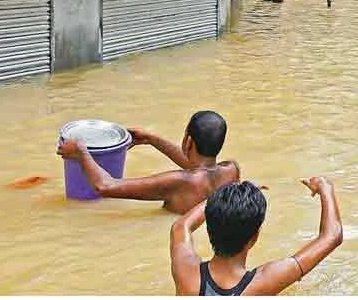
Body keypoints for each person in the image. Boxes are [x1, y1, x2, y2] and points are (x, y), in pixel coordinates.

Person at [168, 178, 343, 296]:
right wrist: (325, 187)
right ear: (255, 236)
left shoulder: (186, 274)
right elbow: (332, 236)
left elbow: (181, 226)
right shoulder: (262, 283)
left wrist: (226, 197)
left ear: (209, 227)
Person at [56, 111, 239, 215]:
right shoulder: (231, 171)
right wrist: (152, 139)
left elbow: (105, 186)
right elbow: (199, 167)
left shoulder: (178, 182)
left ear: (188, 141)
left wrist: (81, 153)